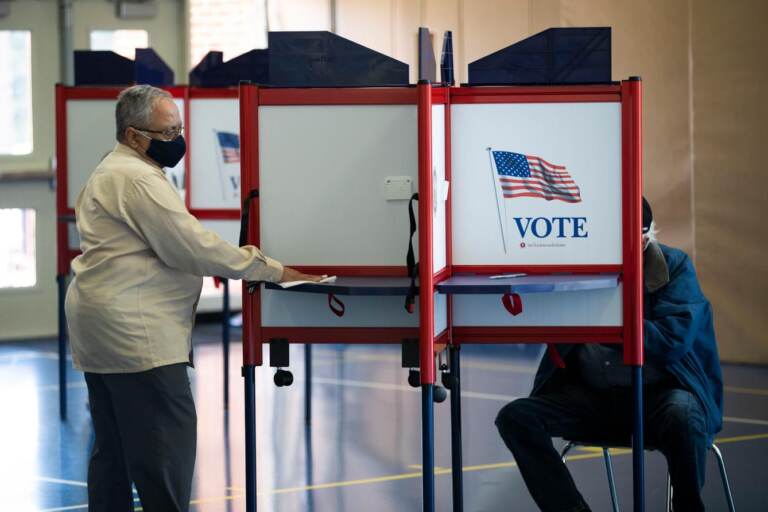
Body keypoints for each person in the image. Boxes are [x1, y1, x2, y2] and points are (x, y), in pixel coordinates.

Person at [65, 84, 320, 512]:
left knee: (112, 454)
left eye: (179, 128)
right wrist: (271, 268)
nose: (177, 140)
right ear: (132, 136)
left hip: (101, 329)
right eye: (166, 133)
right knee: (165, 453)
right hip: (138, 336)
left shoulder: (109, 170)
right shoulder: (137, 179)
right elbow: (192, 246)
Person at [495, 198, 723, 512]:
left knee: (683, 415)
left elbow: (673, 339)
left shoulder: (674, 266)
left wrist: (606, 323)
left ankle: (687, 507)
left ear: (645, 239)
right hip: (593, 399)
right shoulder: (577, 265)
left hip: (656, 399)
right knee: (516, 417)